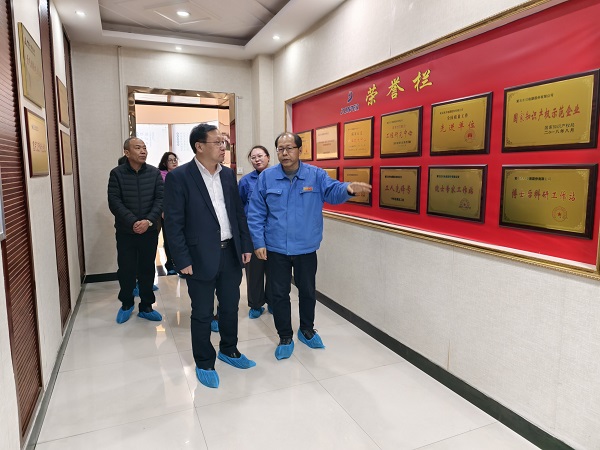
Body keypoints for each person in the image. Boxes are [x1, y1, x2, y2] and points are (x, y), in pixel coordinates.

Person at [247, 132, 371, 360]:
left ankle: (307, 330)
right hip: (276, 248)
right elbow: (255, 212)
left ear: (299, 150)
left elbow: (333, 191)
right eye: (280, 149)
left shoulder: (315, 175)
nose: (285, 153)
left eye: (289, 148)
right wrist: (258, 241)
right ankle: (285, 336)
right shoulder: (267, 178)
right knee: (279, 294)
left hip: (306, 248)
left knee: (307, 291)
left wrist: (348, 189)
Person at [164, 123, 255, 389]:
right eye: (218, 142)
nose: (223, 147)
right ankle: (204, 361)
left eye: (224, 142)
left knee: (230, 307)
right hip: (198, 256)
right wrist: (182, 260)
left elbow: (237, 213)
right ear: (199, 146)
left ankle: (229, 349)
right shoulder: (180, 177)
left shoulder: (227, 174)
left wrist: (245, 245)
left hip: (230, 253)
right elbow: (173, 223)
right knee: (203, 312)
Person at [108, 137, 164, 323]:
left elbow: (160, 199)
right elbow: (114, 201)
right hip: (126, 231)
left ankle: (146, 306)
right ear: (127, 152)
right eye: (138, 148)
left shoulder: (154, 173)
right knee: (126, 269)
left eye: (145, 148)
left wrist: (148, 221)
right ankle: (126, 303)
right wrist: (133, 222)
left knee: (147, 268)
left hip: (149, 230)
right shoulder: (117, 174)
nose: (143, 151)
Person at [238, 145, 272, 319]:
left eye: (260, 156)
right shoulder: (245, 181)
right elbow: (239, 207)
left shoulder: (276, 177)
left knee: (274, 271)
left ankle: (273, 301)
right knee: (254, 272)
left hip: (274, 232)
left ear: (268, 157)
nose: (257, 159)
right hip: (252, 232)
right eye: (253, 157)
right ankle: (256, 304)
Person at [158, 152, 179, 275]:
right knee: (169, 239)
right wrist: (162, 210)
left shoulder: (180, 174)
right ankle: (170, 264)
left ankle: (180, 264)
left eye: (175, 159)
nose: (174, 162)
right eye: (170, 160)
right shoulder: (160, 176)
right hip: (167, 212)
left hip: (180, 211)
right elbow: (160, 196)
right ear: (165, 163)